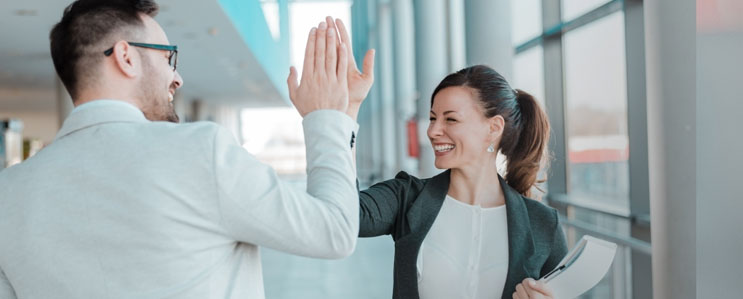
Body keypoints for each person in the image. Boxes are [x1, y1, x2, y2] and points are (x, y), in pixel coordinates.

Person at [0, 1, 373, 299]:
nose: (177, 77)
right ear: (126, 57)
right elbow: (334, 232)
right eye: (168, 57)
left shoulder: (8, 193)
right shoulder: (200, 152)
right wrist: (328, 117)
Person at [349, 65, 568, 299]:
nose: (433, 131)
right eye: (433, 118)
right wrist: (348, 113)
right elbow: (347, 215)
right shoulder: (406, 197)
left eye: (450, 119)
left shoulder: (543, 225)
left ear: (493, 128)